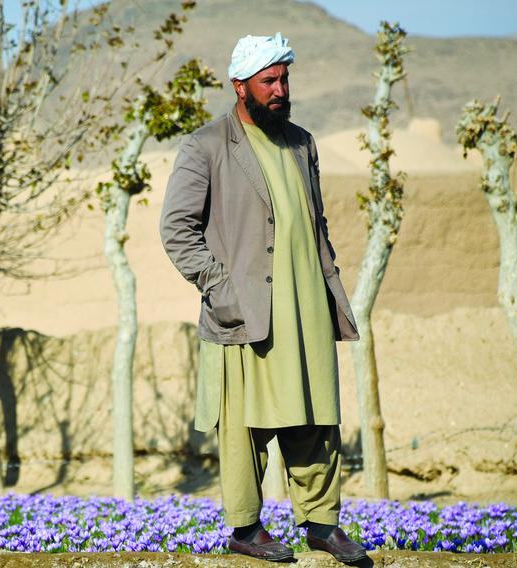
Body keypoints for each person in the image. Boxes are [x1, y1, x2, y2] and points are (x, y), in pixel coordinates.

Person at [159, 33, 368, 563]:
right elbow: (177, 229)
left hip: (307, 307)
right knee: (245, 426)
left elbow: (315, 223)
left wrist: (328, 288)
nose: (280, 89)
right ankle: (246, 529)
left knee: (317, 418)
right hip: (245, 311)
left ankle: (321, 525)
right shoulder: (206, 146)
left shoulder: (302, 143)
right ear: (240, 86)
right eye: (268, 81)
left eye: (284, 79)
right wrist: (220, 290)